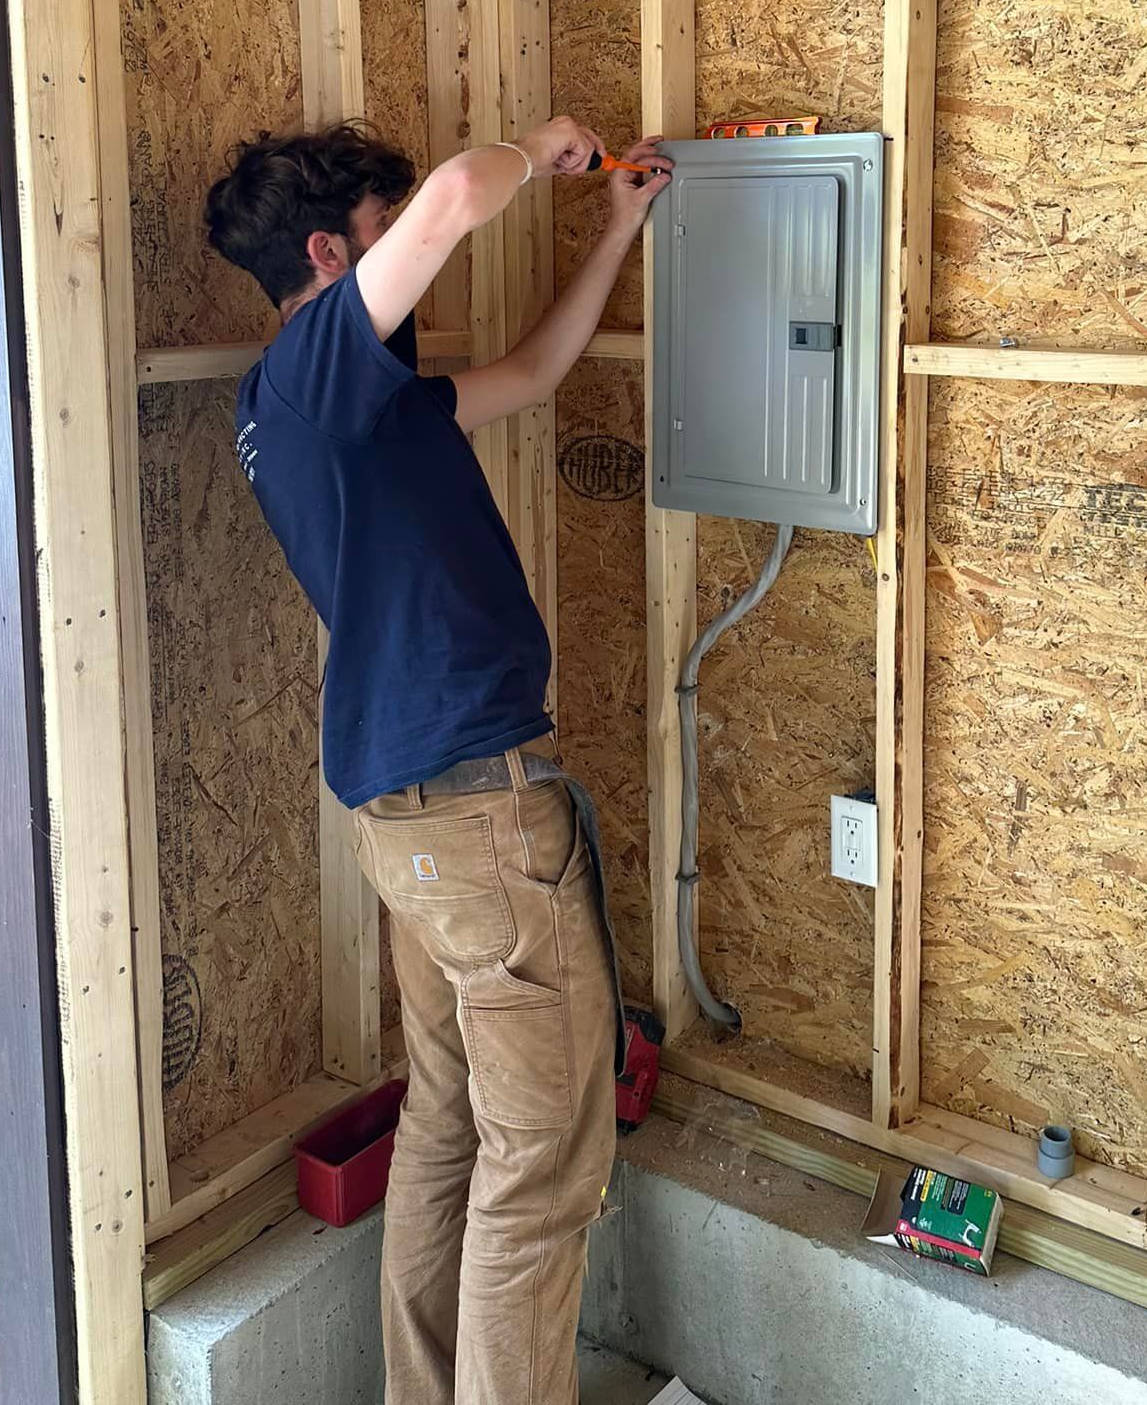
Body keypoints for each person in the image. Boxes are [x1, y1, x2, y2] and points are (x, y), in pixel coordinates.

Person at [204, 116, 671, 1405]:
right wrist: (548, 147)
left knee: (456, 1124)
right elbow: (466, 191)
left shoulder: (356, 408)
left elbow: (528, 375)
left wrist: (619, 227)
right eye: (380, 224)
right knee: (545, 1164)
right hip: (474, 821)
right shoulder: (313, 367)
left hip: (414, 824)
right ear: (325, 249)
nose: (416, 247)